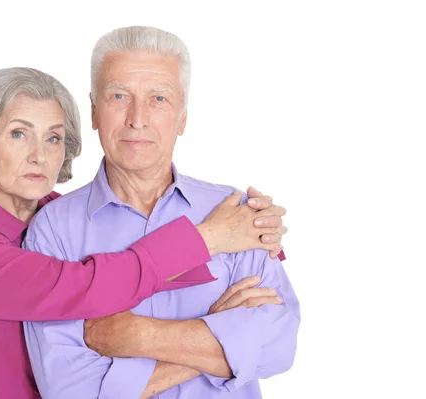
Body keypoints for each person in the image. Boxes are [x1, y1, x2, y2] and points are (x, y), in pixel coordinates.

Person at [0, 67, 287, 398]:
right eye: (19, 133)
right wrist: (210, 246)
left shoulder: (58, 216)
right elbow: (85, 286)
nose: (39, 155)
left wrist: (254, 232)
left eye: (53, 138)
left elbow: (276, 339)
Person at [23, 26, 300, 399]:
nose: (138, 118)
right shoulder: (52, 232)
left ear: (182, 117)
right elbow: (70, 389)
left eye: (158, 99)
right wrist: (219, 336)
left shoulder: (236, 214)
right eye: (119, 96)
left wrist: (136, 335)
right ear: (93, 112)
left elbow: (279, 346)